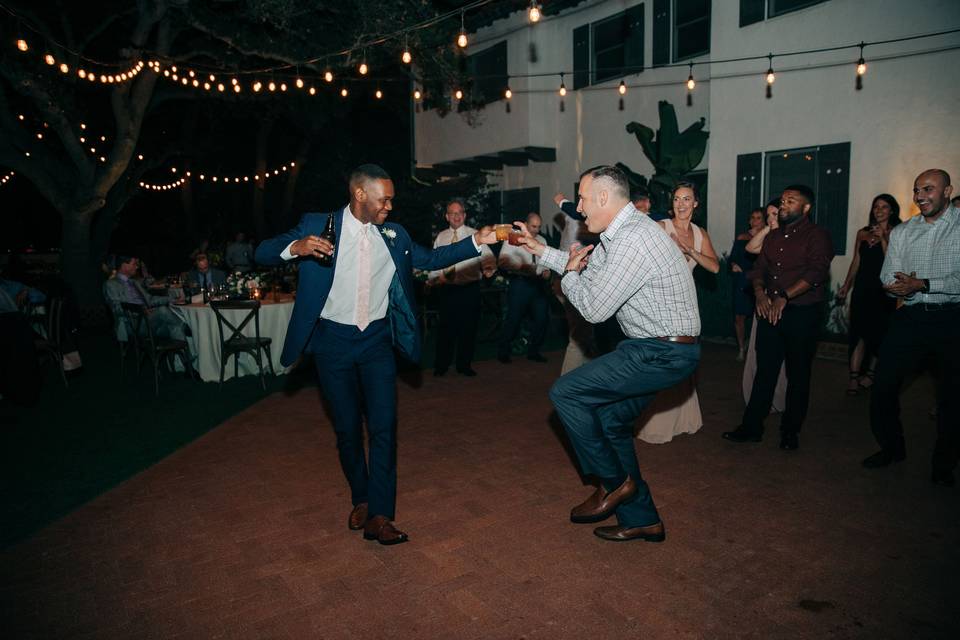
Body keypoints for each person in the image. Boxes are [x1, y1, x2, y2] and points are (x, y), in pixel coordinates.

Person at [254, 164, 498, 545]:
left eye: (391, 200)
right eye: (384, 199)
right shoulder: (318, 224)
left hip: (377, 343)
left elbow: (429, 260)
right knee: (348, 430)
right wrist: (296, 248)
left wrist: (476, 242)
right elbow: (262, 252)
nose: (389, 206)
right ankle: (361, 497)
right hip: (332, 342)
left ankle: (380, 515)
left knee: (384, 428)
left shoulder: (394, 234)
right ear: (360, 195)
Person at [515, 166, 700, 543]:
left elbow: (595, 310)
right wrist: (538, 249)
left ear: (603, 197)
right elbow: (589, 265)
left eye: (582, 199)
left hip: (661, 351)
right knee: (612, 421)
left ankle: (615, 484)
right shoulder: (622, 234)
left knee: (566, 392)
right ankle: (643, 518)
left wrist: (567, 277)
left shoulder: (632, 239)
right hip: (657, 348)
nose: (578, 208)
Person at [863, 169, 959, 487]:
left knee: (951, 398)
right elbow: (888, 274)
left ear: (948, 191)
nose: (920, 196)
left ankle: (943, 465)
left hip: (951, 318)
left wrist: (924, 283)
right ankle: (892, 448)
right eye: (917, 190)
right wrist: (896, 288)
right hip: (912, 317)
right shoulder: (904, 232)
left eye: (929, 189)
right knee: (883, 386)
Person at [723, 185, 834, 451]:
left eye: (790, 201)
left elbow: (817, 271)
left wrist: (785, 296)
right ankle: (752, 428)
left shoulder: (817, 236)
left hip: (802, 313)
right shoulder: (772, 237)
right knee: (765, 372)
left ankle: (790, 432)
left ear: (806, 208)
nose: (783, 205)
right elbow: (759, 269)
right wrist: (760, 294)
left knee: (798, 374)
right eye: (782, 200)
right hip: (770, 311)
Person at [635, 182, 718, 444]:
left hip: (686, 302)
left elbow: (714, 267)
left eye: (687, 199)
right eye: (676, 199)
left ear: (696, 204)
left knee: (683, 358)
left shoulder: (699, 233)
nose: (680, 204)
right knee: (662, 359)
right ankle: (653, 423)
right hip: (661, 300)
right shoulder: (660, 228)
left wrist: (690, 250)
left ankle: (684, 419)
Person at [836, 194, 901, 395]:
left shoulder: (899, 232)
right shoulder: (862, 233)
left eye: (884, 207)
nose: (879, 210)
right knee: (859, 334)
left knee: (879, 334)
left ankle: (871, 374)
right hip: (863, 289)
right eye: (876, 207)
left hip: (883, 290)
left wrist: (883, 237)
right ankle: (854, 378)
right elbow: (856, 261)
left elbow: (893, 261)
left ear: (892, 210)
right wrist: (847, 285)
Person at [427, 198, 495, 377]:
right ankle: (441, 365)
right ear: (447, 217)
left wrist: (489, 268)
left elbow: (488, 257)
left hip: (469, 289)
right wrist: (431, 279)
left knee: (468, 329)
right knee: (445, 330)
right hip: (447, 290)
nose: (456, 216)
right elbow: (435, 262)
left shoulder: (476, 235)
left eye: (459, 213)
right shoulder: (441, 237)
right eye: (452, 213)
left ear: (464, 215)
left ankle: (464, 365)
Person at [742, 198, 788, 414]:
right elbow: (750, 247)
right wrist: (769, 227)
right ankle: (759, 398)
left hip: (785, 303)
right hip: (764, 300)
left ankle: (779, 398)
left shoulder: (792, 238)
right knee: (760, 353)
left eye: (775, 214)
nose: (771, 218)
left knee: (783, 356)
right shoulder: (768, 237)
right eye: (768, 214)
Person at [497, 212, 551, 364]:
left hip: (538, 284)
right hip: (520, 283)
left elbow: (545, 262)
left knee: (542, 318)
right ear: (526, 225)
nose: (536, 230)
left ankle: (534, 351)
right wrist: (523, 268)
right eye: (533, 226)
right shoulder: (514, 238)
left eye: (539, 227)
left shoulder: (542, 240)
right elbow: (502, 261)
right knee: (513, 319)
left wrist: (547, 272)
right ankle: (503, 351)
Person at [103, 255, 188, 343]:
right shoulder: (111, 284)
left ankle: (184, 356)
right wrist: (140, 310)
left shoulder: (134, 282)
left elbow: (150, 299)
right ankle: (187, 327)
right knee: (162, 310)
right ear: (124, 265)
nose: (137, 267)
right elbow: (117, 308)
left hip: (149, 322)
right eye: (134, 264)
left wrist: (173, 299)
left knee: (175, 328)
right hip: (133, 325)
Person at [730, 208, 766, 361]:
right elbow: (733, 258)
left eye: (759, 218)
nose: (755, 220)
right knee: (739, 317)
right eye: (753, 217)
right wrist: (733, 264)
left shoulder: (769, 238)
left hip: (761, 280)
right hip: (743, 280)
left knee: (760, 317)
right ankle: (741, 349)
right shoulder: (742, 237)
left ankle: (757, 350)